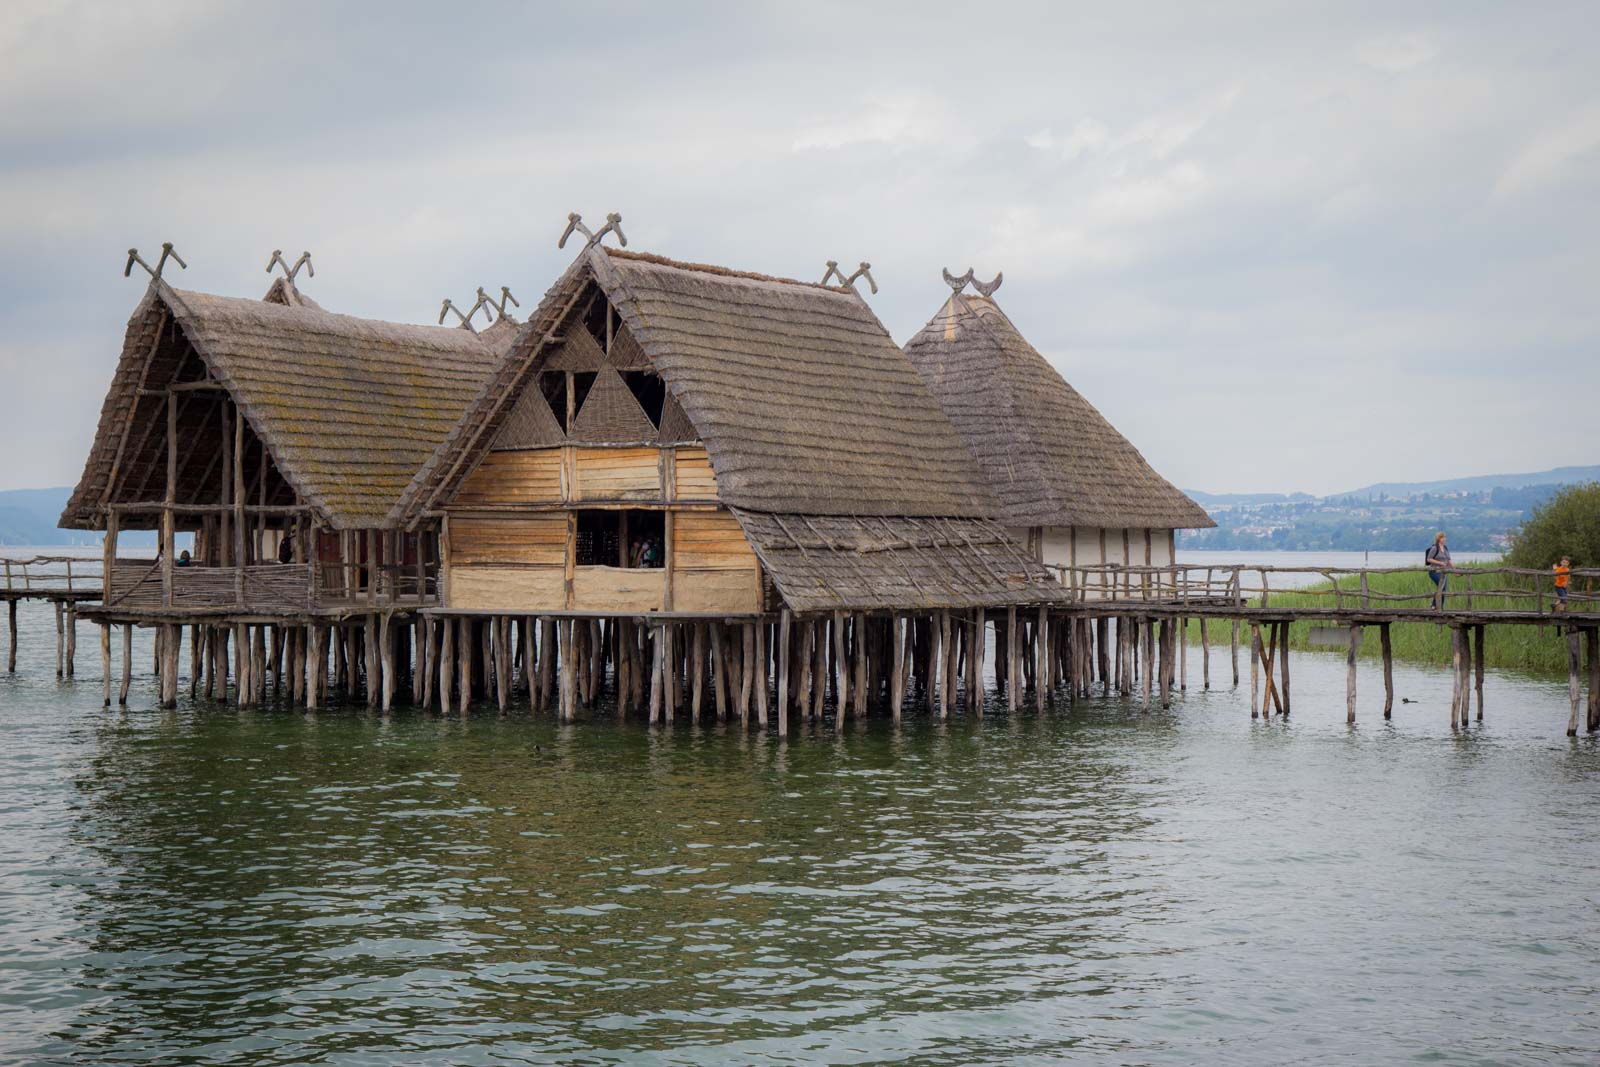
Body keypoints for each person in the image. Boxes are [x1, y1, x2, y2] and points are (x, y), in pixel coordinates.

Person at [1425, 532, 1451, 610]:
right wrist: (1440, 563)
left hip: (1443, 573)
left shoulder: (1445, 548)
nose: (1444, 539)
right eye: (1442, 537)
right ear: (1438, 539)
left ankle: (1440, 607)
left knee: (1443, 589)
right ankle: (1434, 605)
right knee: (1441, 587)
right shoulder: (1435, 548)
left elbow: (1449, 560)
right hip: (1434, 572)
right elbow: (1429, 559)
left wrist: (1455, 570)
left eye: (1445, 537)